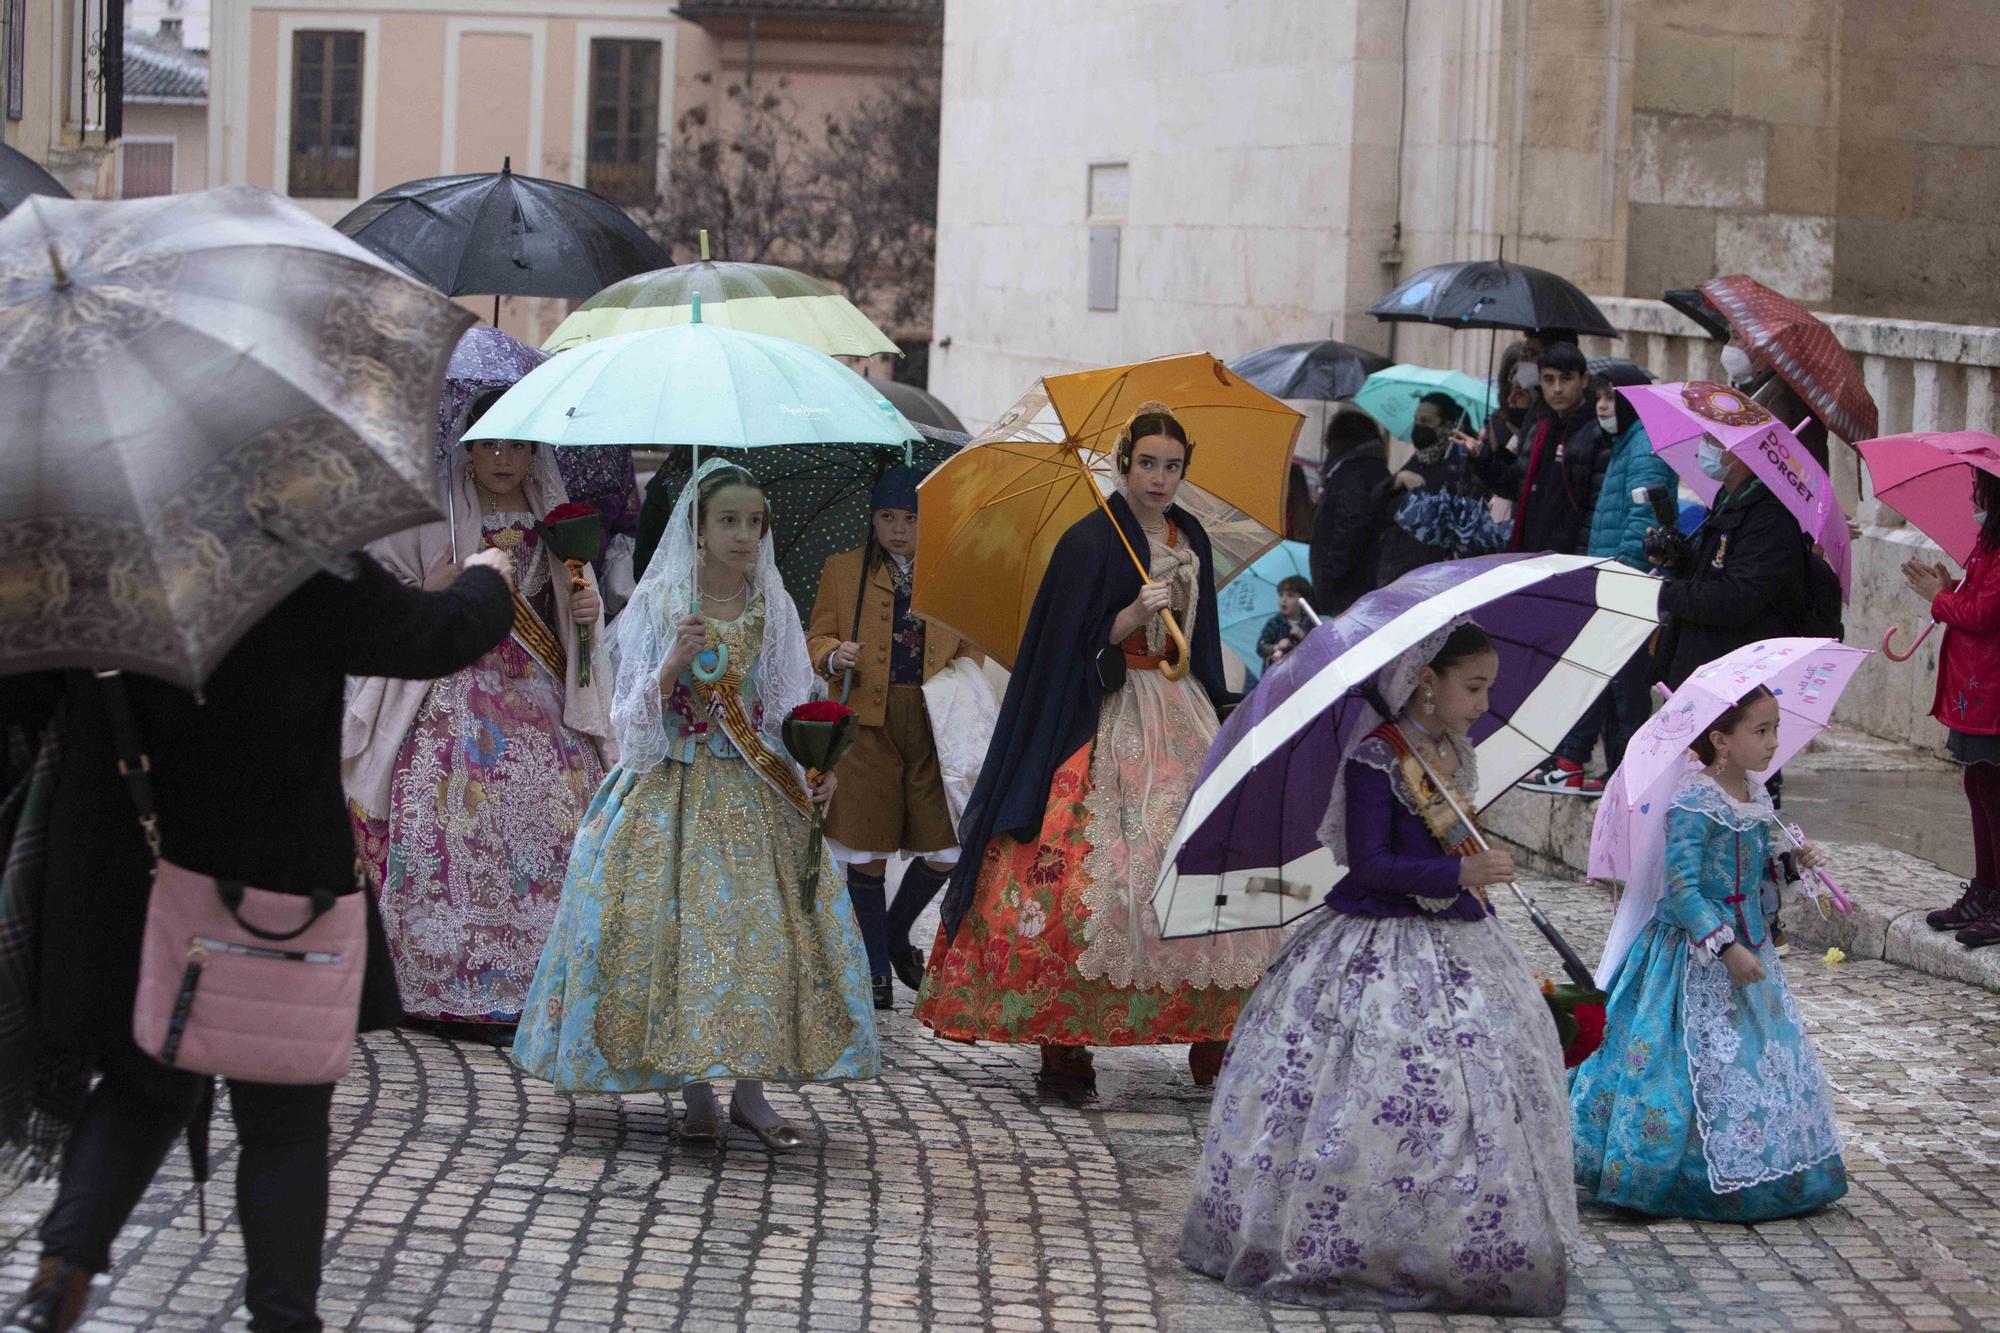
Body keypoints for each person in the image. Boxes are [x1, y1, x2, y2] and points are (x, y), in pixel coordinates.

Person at [3, 551, 518, 1333]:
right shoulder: (292, 556)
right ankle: (281, 1319)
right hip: (278, 885)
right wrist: (489, 576)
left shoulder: (93, 565)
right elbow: (428, 634)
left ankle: (57, 1281)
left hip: (133, 883)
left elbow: (24, 697)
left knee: (142, 1086)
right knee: (283, 1120)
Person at [1178, 623, 1577, 1314]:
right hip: (1377, 942)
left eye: (1488, 687)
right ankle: (1354, 1233)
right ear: (1428, 680)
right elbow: (1371, 864)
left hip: (1460, 939)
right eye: (1473, 686)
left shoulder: (1454, 750)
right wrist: (1460, 869)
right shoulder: (1374, 759)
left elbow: (1450, 833)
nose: (1484, 701)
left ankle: (1464, 1233)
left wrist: (1470, 860)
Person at [511, 460, 877, 1152]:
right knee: (678, 937)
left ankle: (751, 1093)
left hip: (753, 795)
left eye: (754, 522)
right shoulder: (662, 605)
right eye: (729, 521)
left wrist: (814, 766)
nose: (744, 535)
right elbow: (629, 723)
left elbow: (791, 705)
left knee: (757, 938)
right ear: (698, 530)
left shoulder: (775, 605)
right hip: (669, 787)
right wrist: (673, 663)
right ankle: (697, 1091)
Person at [916, 402, 1277, 1090]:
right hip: (1102, 713)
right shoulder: (1089, 540)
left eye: (1172, 466)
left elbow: (1198, 641)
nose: (1160, 478)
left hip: (1181, 710)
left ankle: (1216, 1028)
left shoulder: (1190, 532)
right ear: (1124, 462)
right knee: (1098, 875)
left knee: (1212, 863)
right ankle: (1065, 1037)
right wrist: (1126, 617)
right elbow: (1060, 643)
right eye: (1148, 463)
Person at [343, 392, 614, 1031]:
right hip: (454, 696)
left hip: (537, 695)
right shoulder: (438, 518)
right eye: (490, 442)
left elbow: (566, 604)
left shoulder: (553, 516)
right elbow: (391, 589)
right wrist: (437, 587)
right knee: (450, 828)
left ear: (533, 452)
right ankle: (442, 979)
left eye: (517, 444)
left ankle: (529, 983)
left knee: (543, 825)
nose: (502, 457)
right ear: (468, 447)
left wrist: (584, 612)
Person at [1571, 686, 1847, 1221]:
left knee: (1759, 1058)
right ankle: (1665, 1171)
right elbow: (1682, 890)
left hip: (1753, 948)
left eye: (1774, 729)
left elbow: (1757, 875)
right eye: (1760, 731)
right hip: (1694, 955)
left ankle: (1774, 1163)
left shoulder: (1756, 795)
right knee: (1679, 1061)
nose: (1772, 742)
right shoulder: (1693, 804)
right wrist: (1723, 946)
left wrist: (1791, 863)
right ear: (1721, 738)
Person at [806, 464, 984, 1009]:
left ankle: (894, 929)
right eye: (887, 517)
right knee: (867, 847)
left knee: (949, 845)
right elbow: (818, 635)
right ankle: (875, 968)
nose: (898, 529)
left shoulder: (953, 572)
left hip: (932, 725)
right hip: (865, 725)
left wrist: (957, 686)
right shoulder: (844, 570)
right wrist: (837, 654)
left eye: (910, 518)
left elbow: (971, 646)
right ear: (873, 519)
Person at [1523, 364, 1675, 794]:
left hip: (1629, 579)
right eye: (1601, 398)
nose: (1603, 407)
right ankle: (1594, 764)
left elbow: (1641, 519)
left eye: (1611, 398)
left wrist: (1621, 571)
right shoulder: (1627, 441)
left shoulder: (1644, 447)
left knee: (1626, 689)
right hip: (1612, 574)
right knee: (1607, 679)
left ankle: (1625, 774)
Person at [1905, 471, 2000, 947]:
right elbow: (1980, 595)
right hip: (1978, 690)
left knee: (1994, 790)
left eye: (1979, 495)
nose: (1973, 503)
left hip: (1994, 691)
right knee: (1978, 781)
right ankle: (1984, 891)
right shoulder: (1989, 544)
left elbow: (1986, 613)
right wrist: (1951, 586)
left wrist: (1939, 599)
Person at [1472, 341, 1605, 556]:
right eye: (1549, 380)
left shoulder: (1597, 434)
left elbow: (1595, 510)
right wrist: (1481, 457)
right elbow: (1517, 487)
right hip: (1530, 551)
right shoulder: (1539, 429)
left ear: (1584, 380)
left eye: (1566, 379)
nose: (1557, 389)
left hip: (1570, 560)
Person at [1373, 392, 1506, 585]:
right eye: (1416, 420)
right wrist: (1395, 482)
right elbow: (1379, 508)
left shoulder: (1464, 467)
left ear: (1448, 425)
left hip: (1432, 574)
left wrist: (1423, 493)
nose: (1419, 427)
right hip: (1396, 569)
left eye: (1426, 421)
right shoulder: (1419, 459)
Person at [1309, 408, 1390, 618]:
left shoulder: (1352, 472)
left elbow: (1351, 520)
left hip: (1349, 587)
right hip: (1362, 580)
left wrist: (1331, 573)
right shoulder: (1375, 469)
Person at [1255, 575, 1312, 666]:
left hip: (1304, 667)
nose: (1283, 600)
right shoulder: (1274, 623)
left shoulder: (1310, 622)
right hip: (1279, 671)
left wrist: (1303, 636)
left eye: (1290, 596)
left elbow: (1317, 647)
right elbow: (1260, 647)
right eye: (1281, 595)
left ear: (1303, 601)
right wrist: (1276, 647)